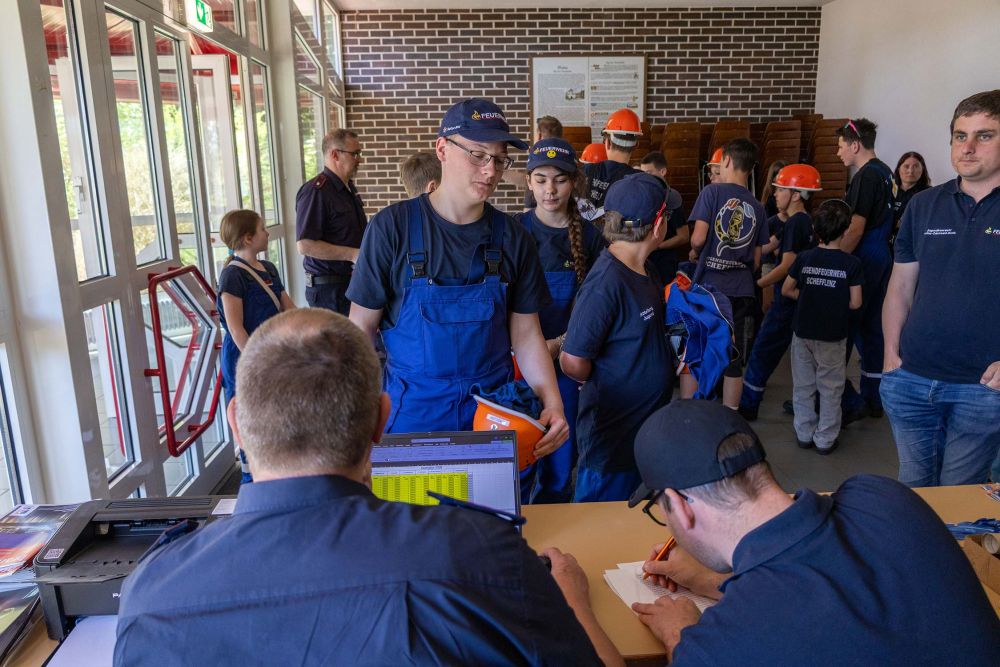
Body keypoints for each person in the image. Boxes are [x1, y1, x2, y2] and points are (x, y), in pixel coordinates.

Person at [114, 309, 612, 666]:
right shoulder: (484, 554)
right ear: (381, 420)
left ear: (237, 426)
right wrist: (573, 603)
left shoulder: (151, 594)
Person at [545, 400, 1000, 664]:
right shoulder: (882, 495)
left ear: (681, 507)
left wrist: (573, 605)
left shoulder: (721, 648)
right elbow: (830, 595)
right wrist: (713, 583)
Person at [347, 98, 568, 459]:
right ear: (442, 149)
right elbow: (360, 329)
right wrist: (353, 410)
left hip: (493, 418)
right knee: (411, 513)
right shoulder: (391, 228)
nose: (491, 170)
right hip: (412, 416)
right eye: (478, 155)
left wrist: (552, 402)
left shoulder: (513, 238)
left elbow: (527, 334)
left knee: (490, 515)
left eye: (499, 159)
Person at [881, 89, 1000, 486]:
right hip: (911, 377)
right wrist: (891, 357)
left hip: (981, 388)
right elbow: (900, 285)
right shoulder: (924, 205)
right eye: (959, 135)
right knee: (913, 493)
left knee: (958, 502)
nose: (967, 147)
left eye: (984, 135)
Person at [560, 173, 675, 502]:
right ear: (657, 226)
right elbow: (572, 360)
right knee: (598, 525)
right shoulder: (605, 283)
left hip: (642, 430)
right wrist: (605, 378)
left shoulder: (646, 270)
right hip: (612, 438)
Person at [516, 138, 605, 504]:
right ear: (528, 182)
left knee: (558, 458)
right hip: (517, 366)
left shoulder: (593, 237)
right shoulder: (512, 232)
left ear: (574, 183)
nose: (549, 189)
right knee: (517, 458)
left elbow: (599, 309)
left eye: (559, 180)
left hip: (568, 367)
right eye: (540, 179)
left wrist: (561, 343)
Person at [688, 138, 769, 409]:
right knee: (733, 356)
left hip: (710, 288)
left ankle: (696, 411)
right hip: (741, 290)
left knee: (698, 348)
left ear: (726, 161)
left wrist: (695, 253)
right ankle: (730, 414)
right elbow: (757, 259)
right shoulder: (757, 206)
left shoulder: (711, 193)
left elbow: (698, 238)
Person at [216, 209, 296, 483]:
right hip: (245, 358)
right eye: (263, 229)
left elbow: (288, 309)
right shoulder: (232, 276)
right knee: (250, 424)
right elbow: (235, 327)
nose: (268, 233)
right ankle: (251, 481)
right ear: (249, 238)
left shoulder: (269, 268)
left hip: (271, 354)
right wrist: (256, 360)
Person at [738, 165, 820, 421]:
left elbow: (786, 265)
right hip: (801, 300)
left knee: (764, 350)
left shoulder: (797, 222)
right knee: (813, 359)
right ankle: (848, 403)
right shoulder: (800, 221)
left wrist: (757, 284)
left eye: (780, 189)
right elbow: (770, 244)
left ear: (796, 194)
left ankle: (748, 405)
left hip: (786, 302)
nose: (775, 193)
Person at [782, 200, 863, 453]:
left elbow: (787, 289)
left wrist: (807, 297)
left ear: (816, 229)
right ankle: (825, 439)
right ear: (846, 229)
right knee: (830, 387)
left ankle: (804, 433)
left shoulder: (805, 258)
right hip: (833, 334)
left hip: (803, 331)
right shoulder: (852, 264)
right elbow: (855, 302)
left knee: (803, 385)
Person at [834, 118, 896, 419]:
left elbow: (856, 228)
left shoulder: (865, 177)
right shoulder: (886, 172)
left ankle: (843, 401)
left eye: (841, 146)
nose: (838, 153)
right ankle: (873, 397)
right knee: (873, 328)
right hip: (882, 253)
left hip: (865, 255)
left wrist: (834, 260)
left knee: (844, 326)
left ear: (855, 145)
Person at [295, 129, 367, 315]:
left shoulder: (347, 188)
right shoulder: (316, 191)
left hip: (349, 284)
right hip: (329, 290)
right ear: (335, 154)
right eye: (355, 154)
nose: (359, 159)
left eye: (360, 153)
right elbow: (305, 245)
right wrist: (352, 254)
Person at [579, 108, 643, 220]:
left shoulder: (584, 170)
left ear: (607, 143)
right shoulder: (640, 181)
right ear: (636, 145)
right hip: (619, 236)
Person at [639, 150, 691, 281]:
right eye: (642, 174)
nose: (645, 178)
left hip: (664, 262)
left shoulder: (673, 199)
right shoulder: (640, 196)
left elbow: (684, 236)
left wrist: (657, 245)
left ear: (663, 172)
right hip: (642, 260)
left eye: (649, 173)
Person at [502, 115, 563, 210]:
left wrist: (500, 170)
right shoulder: (564, 155)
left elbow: (526, 181)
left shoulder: (538, 155)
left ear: (539, 135)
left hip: (535, 210)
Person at [892, 150, 931, 225]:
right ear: (898, 169)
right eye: (906, 166)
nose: (910, 171)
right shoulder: (888, 190)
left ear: (923, 170)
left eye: (916, 166)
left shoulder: (929, 194)